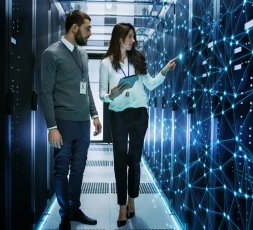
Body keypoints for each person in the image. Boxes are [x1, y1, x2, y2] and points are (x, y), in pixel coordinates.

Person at [98, 22, 178, 227]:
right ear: (120, 38)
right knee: (119, 161)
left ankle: (131, 199)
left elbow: (150, 84)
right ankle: (121, 206)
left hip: (139, 114)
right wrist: (110, 95)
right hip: (117, 115)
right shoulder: (106, 63)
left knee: (134, 159)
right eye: (130, 36)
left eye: (134, 37)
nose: (133, 40)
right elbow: (101, 94)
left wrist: (163, 72)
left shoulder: (138, 59)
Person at [40, 10, 102, 230]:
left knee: (78, 169)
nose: (90, 33)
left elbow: (87, 90)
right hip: (63, 123)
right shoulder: (51, 54)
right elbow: (45, 93)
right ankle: (65, 214)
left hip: (82, 123)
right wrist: (52, 126)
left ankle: (74, 208)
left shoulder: (82, 54)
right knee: (61, 169)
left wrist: (94, 115)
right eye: (87, 28)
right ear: (74, 28)